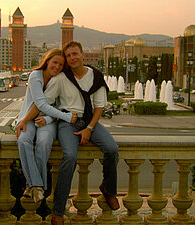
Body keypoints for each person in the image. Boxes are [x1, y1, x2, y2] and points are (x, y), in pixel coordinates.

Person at [18, 41, 120, 224]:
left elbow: (99, 107)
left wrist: (89, 129)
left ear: (82, 54)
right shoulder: (61, 78)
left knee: (112, 149)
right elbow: (42, 103)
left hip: (90, 121)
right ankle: (58, 210)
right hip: (68, 124)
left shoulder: (95, 76)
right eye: (69, 55)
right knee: (70, 156)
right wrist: (24, 120)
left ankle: (109, 189)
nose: (72, 58)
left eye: (75, 54)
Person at [15, 48, 77, 204]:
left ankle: (33, 186)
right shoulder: (36, 76)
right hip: (28, 118)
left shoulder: (61, 79)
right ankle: (37, 185)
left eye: (61, 65)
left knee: (43, 143)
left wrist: (48, 120)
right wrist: (67, 117)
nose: (57, 67)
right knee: (23, 140)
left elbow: (59, 105)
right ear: (47, 61)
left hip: (48, 120)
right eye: (54, 62)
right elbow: (40, 104)